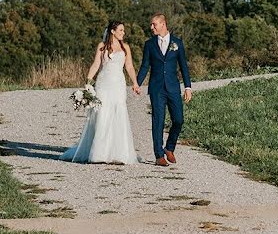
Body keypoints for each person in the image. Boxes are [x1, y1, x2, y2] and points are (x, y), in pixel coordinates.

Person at [60, 21, 142, 164]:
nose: (123, 33)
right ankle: (100, 152)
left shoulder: (125, 47)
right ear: (112, 31)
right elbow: (96, 64)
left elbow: (129, 66)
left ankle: (119, 152)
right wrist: (88, 81)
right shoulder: (102, 47)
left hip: (118, 85)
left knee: (118, 113)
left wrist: (135, 83)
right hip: (104, 84)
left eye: (123, 30)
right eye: (121, 30)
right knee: (102, 114)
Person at [134, 13, 192, 166]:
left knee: (178, 120)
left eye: (154, 24)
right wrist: (137, 83)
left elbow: (183, 67)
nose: (151, 27)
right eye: (151, 25)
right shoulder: (149, 44)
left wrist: (188, 87)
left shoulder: (177, 43)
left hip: (173, 87)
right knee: (158, 121)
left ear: (163, 24)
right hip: (157, 88)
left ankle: (169, 147)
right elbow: (145, 66)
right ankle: (159, 155)